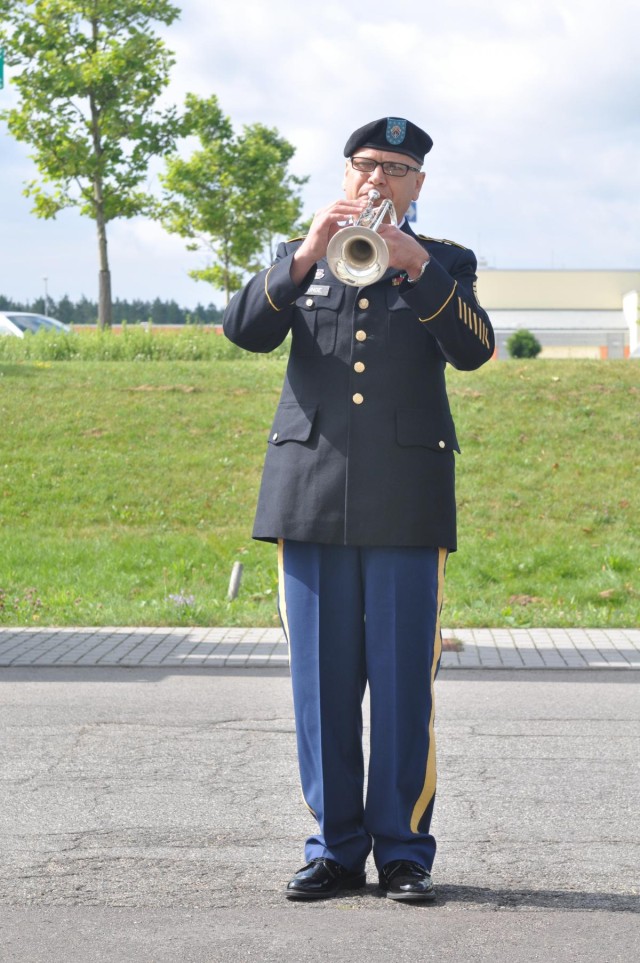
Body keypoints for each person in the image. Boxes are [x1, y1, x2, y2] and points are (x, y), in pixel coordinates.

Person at [223, 116, 494, 902]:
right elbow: (244, 330)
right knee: (321, 686)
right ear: (346, 173)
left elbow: (475, 349)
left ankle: (404, 851)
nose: (379, 179)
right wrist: (308, 252)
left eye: (397, 168)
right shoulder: (299, 254)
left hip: (407, 502)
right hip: (308, 495)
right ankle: (334, 848)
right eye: (367, 165)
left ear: (418, 184)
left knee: (406, 684)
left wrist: (416, 269)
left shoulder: (447, 262)